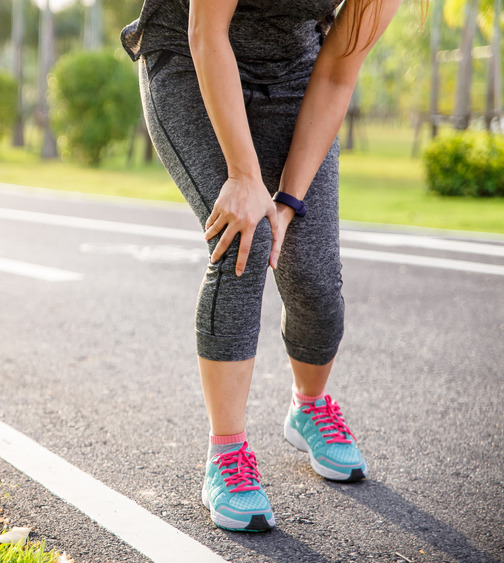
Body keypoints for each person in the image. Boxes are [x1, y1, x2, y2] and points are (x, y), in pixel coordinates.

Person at [122, 0, 401, 532]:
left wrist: (289, 200)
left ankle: (310, 406)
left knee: (314, 278)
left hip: (296, 74)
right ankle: (225, 455)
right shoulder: (195, 45)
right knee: (243, 240)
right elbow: (207, 32)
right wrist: (245, 177)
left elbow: (338, 75)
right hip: (189, 56)